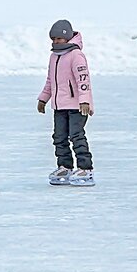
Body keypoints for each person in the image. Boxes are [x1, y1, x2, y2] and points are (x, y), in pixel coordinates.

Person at [37, 19, 95, 187]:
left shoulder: (76, 55)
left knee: (76, 136)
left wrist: (84, 101)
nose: (56, 42)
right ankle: (65, 167)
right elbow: (50, 81)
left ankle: (85, 168)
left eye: (59, 39)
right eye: (53, 39)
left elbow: (83, 80)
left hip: (77, 106)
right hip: (59, 106)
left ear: (67, 37)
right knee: (59, 137)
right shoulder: (54, 56)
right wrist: (43, 98)